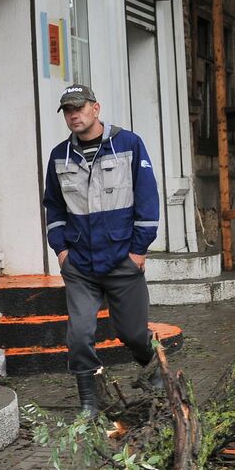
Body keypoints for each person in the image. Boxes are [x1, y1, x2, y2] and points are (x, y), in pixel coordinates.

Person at [43, 84, 163, 417]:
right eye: (67, 111)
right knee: (79, 336)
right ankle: (89, 401)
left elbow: (148, 200)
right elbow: (53, 207)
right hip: (81, 264)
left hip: (123, 260)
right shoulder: (58, 156)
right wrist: (61, 252)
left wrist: (138, 252)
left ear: (96, 108)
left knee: (133, 333)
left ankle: (156, 374)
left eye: (78, 108)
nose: (73, 115)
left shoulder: (129, 144)